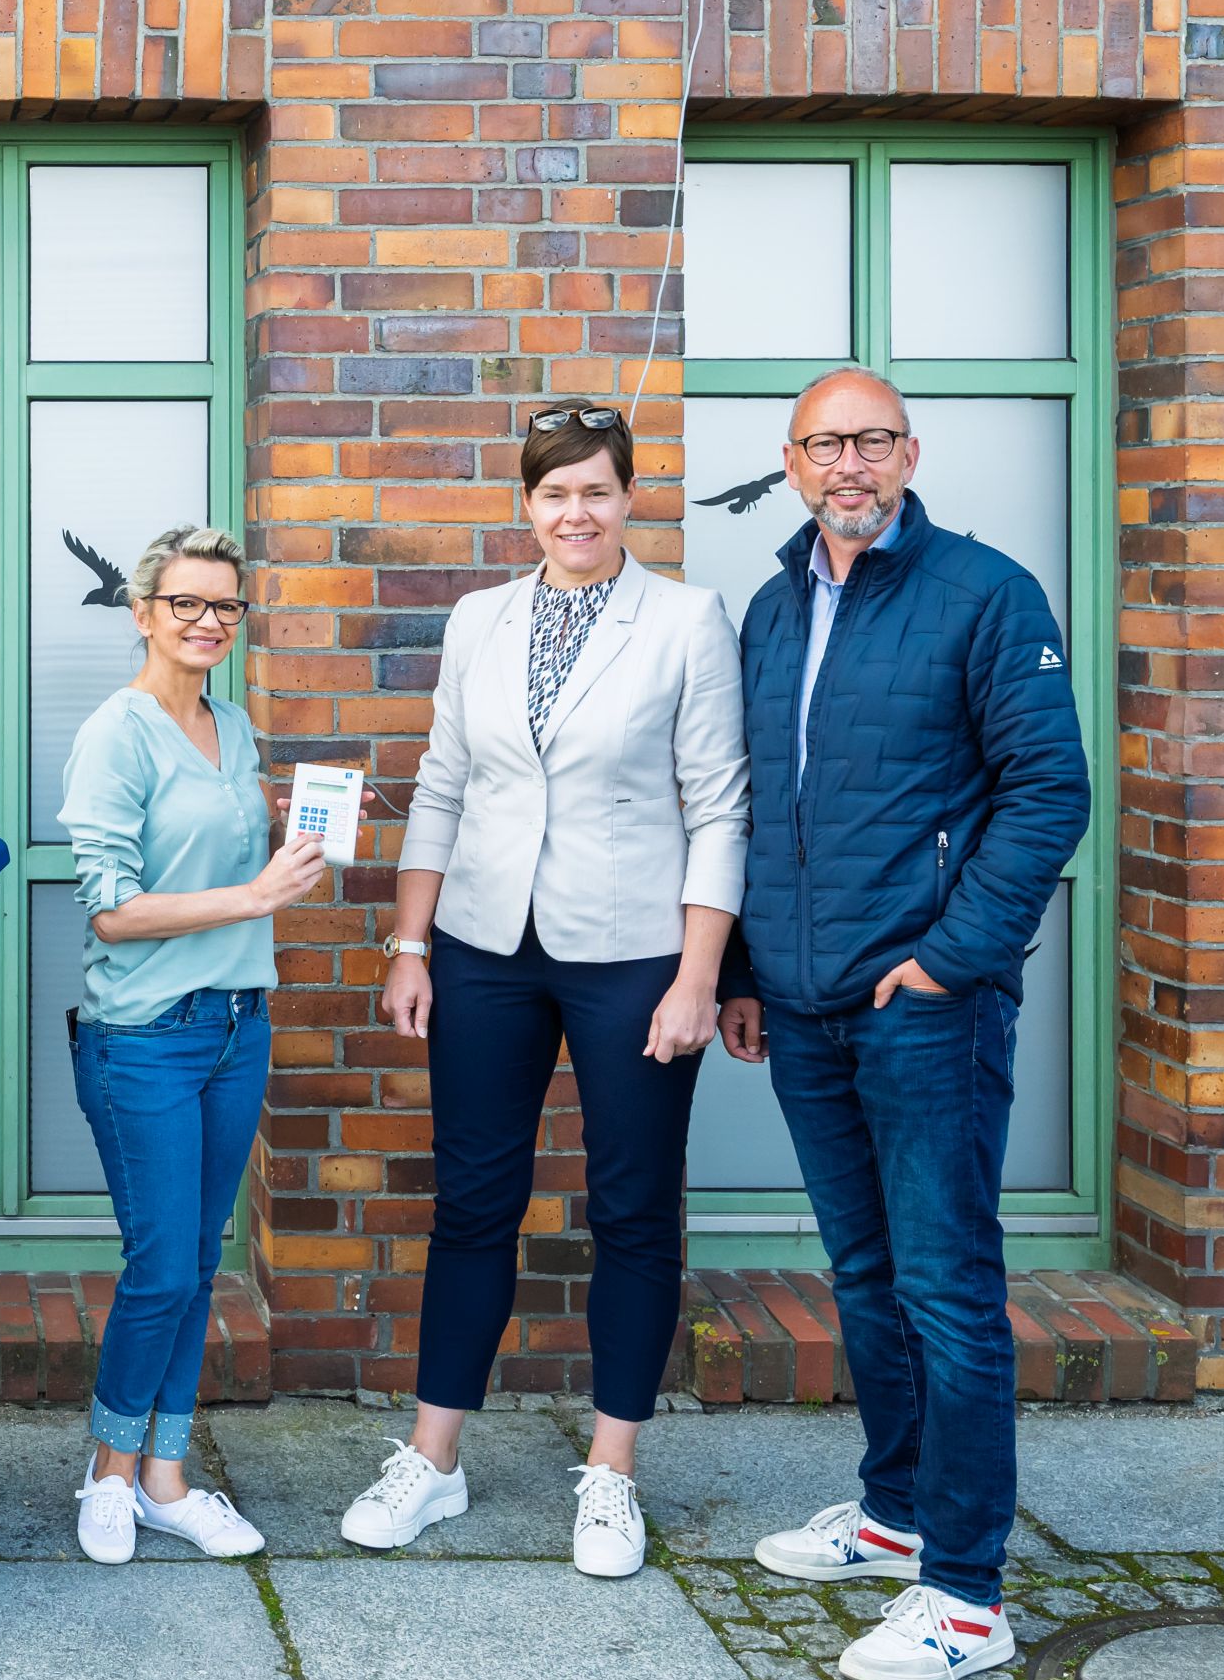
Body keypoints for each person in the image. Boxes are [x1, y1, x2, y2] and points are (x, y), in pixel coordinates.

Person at [717, 368, 1089, 1680]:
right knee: (865, 1276)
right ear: (793, 460)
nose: (850, 465)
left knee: (945, 1285)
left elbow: (1049, 795)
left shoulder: (986, 595)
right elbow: (760, 807)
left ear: (910, 452)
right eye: (826, 444)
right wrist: (748, 972)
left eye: (872, 440)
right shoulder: (770, 610)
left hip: (925, 1007)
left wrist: (948, 962)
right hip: (807, 1007)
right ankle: (896, 1518)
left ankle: (969, 1595)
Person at [350, 406, 749, 1573]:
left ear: (630, 499)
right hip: (483, 942)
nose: (575, 513)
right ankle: (434, 1458)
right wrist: (411, 943)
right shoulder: (480, 617)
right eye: (553, 493)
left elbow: (720, 803)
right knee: (473, 1202)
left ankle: (613, 1474)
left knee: (630, 1210)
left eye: (597, 491)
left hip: (632, 954)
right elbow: (443, 781)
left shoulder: (684, 620)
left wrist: (696, 974)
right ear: (525, 506)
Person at [56, 524, 322, 1568]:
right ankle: (109, 1471)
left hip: (234, 1029)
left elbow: (230, 841)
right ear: (143, 611)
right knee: (162, 1267)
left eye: (226, 606)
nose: (209, 621)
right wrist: (253, 894)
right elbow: (113, 910)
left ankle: (167, 1476)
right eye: (188, 603)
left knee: (198, 1263)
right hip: (145, 1039)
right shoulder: (116, 735)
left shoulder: (235, 724)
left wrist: (287, 827)